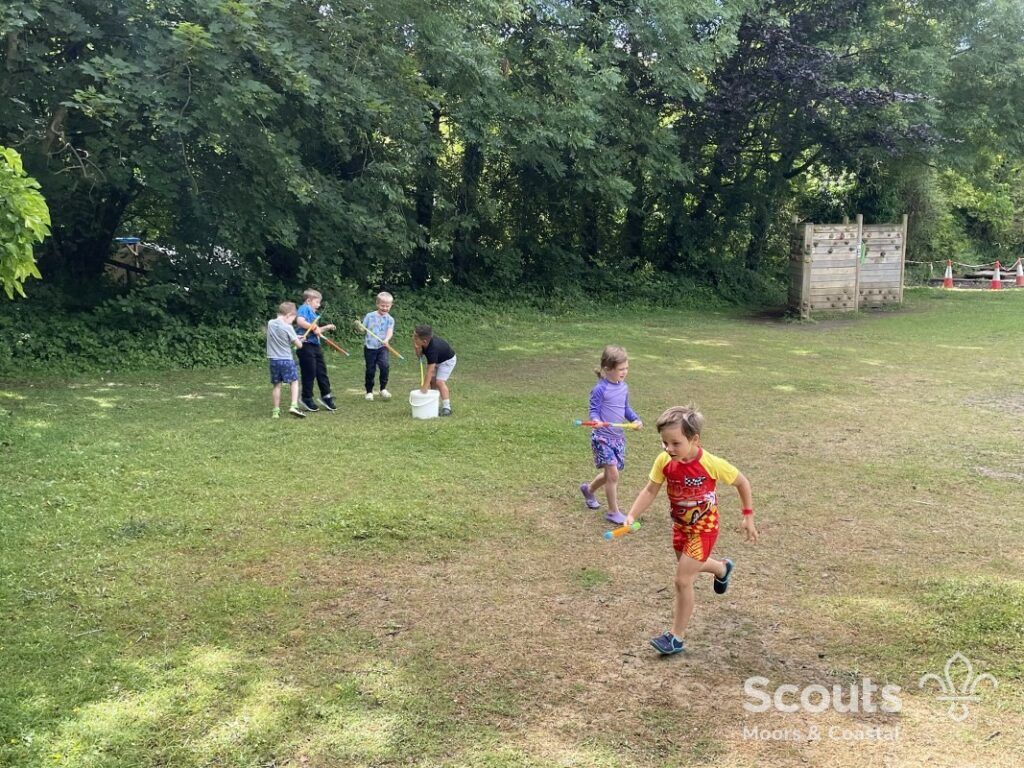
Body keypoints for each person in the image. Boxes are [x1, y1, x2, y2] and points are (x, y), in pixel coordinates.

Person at [624, 406, 759, 655]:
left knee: (683, 579)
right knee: (690, 565)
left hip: (704, 528)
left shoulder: (711, 463)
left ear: (694, 439)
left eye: (676, 443)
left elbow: (742, 482)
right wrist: (632, 514)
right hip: (680, 526)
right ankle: (722, 569)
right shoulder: (664, 461)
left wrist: (747, 516)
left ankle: (676, 638)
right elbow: (650, 490)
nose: (668, 448)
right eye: (665, 442)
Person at [579, 345, 642, 525]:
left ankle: (588, 489)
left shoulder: (624, 387)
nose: (625, 372)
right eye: (621, 369)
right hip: (602, 438)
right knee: (613, 475)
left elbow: (625, 408)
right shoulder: (600, 389)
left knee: (609, 475)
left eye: (626, 368)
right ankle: (613, 512)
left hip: (617, 438)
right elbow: (594, 410)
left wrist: (635, 419)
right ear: (607, 369)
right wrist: (596, 420)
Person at [295, 289, 337, 412]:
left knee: (321, 371)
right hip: (305, 345)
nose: (319, 305)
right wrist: (314, 327)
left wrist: (326, 327)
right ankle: (306, 397)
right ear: (309, 301)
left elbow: (316, 331)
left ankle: (326, 396)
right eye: (317, 302)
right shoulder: (304, 308)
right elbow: (300, 321)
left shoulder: (313, 314)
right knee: (310, 372)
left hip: (315, 346)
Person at [266, 302, 305, 419]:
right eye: (293, 319)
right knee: (294, 381)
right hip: (286, 360)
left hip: (273, 360)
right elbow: (299, 346)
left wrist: (294, 337)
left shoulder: (270, 323)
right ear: (288, 315)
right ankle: (294, 406)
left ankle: (275, 411)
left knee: (277, 385)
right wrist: (300, 340)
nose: (292, 321)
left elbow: (281, 335)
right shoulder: (288, 327)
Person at [412, 324, 456, 416]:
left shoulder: (433, 348)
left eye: (415, 338)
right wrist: (417, 348)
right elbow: (420, 356)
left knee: (439, 382)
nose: (413, 338)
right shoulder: (425, 343)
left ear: (424, 341)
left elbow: (430, 371)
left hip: (447, 361)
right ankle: (434, 402)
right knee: (432, 381)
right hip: (437, 360)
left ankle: (447, 407)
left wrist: (424, 387)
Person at [361, 292, 395, 401]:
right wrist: (360, 328)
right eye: (382, 305)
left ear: (391, 306)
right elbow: (362, 329)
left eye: (387, 306)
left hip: (382, 347)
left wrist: (387, 339)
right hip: (369, 347)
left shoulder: (390, 319)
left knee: (385, 366)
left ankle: (383, 389)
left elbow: (390, 331)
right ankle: (369, 391)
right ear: (377, 304)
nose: (385, 308)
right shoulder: (369, 316)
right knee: (370, 370)